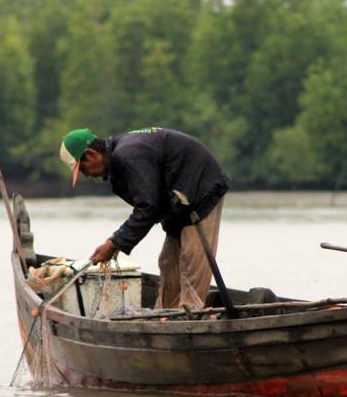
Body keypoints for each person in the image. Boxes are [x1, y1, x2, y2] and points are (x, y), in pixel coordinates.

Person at [60, 127, 229, 310]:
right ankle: (166, 313)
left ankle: (191, 313)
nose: (86, 174)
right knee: (167, 261)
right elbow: (151, 204)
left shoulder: (129, 156)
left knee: (192, 259)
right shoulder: (120, 161)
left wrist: (115, 243)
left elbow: (148, 207)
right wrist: (116, 241)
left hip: (201, 191)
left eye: (82, 168)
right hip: (177, 201)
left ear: (91, 154)